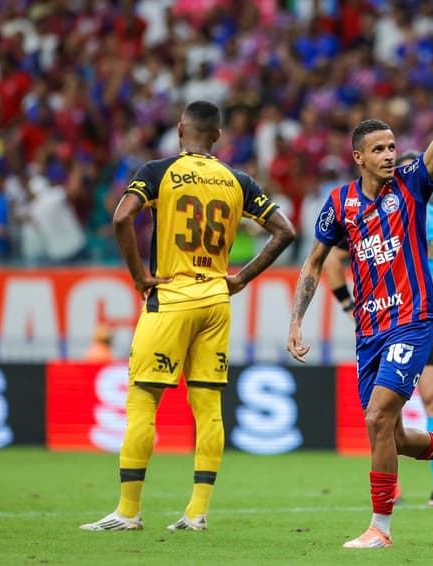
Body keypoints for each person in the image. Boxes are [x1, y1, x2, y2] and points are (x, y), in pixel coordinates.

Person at [287, 28, 433, 550]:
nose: (388, 154)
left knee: (379, 416)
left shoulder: (412, 185)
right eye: (377, 149)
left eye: (392, 147)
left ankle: (380, 530)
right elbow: (314, 262)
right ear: (358, 156)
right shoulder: (339, 205)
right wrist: (296, 320)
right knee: (394, 436)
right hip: (370, 331)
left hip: (413, 320)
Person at [81, 100, 295, 532]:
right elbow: (285, 230)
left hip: (172, 297)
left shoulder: (158, 171)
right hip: (217, 299)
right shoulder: (239, 180)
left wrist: (140, 276)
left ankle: (127, 512)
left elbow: (123, 217)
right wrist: (242, 278)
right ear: (218, 136)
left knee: (143, 401)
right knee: (208, 407)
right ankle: (196, 513)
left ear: (180, 130)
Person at [325, 149, 433, 507]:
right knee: (383, 414)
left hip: (422, 318)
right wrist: (349, 306)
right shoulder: (374, 213)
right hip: (382, 320)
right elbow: (332, 260)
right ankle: (394, 485)